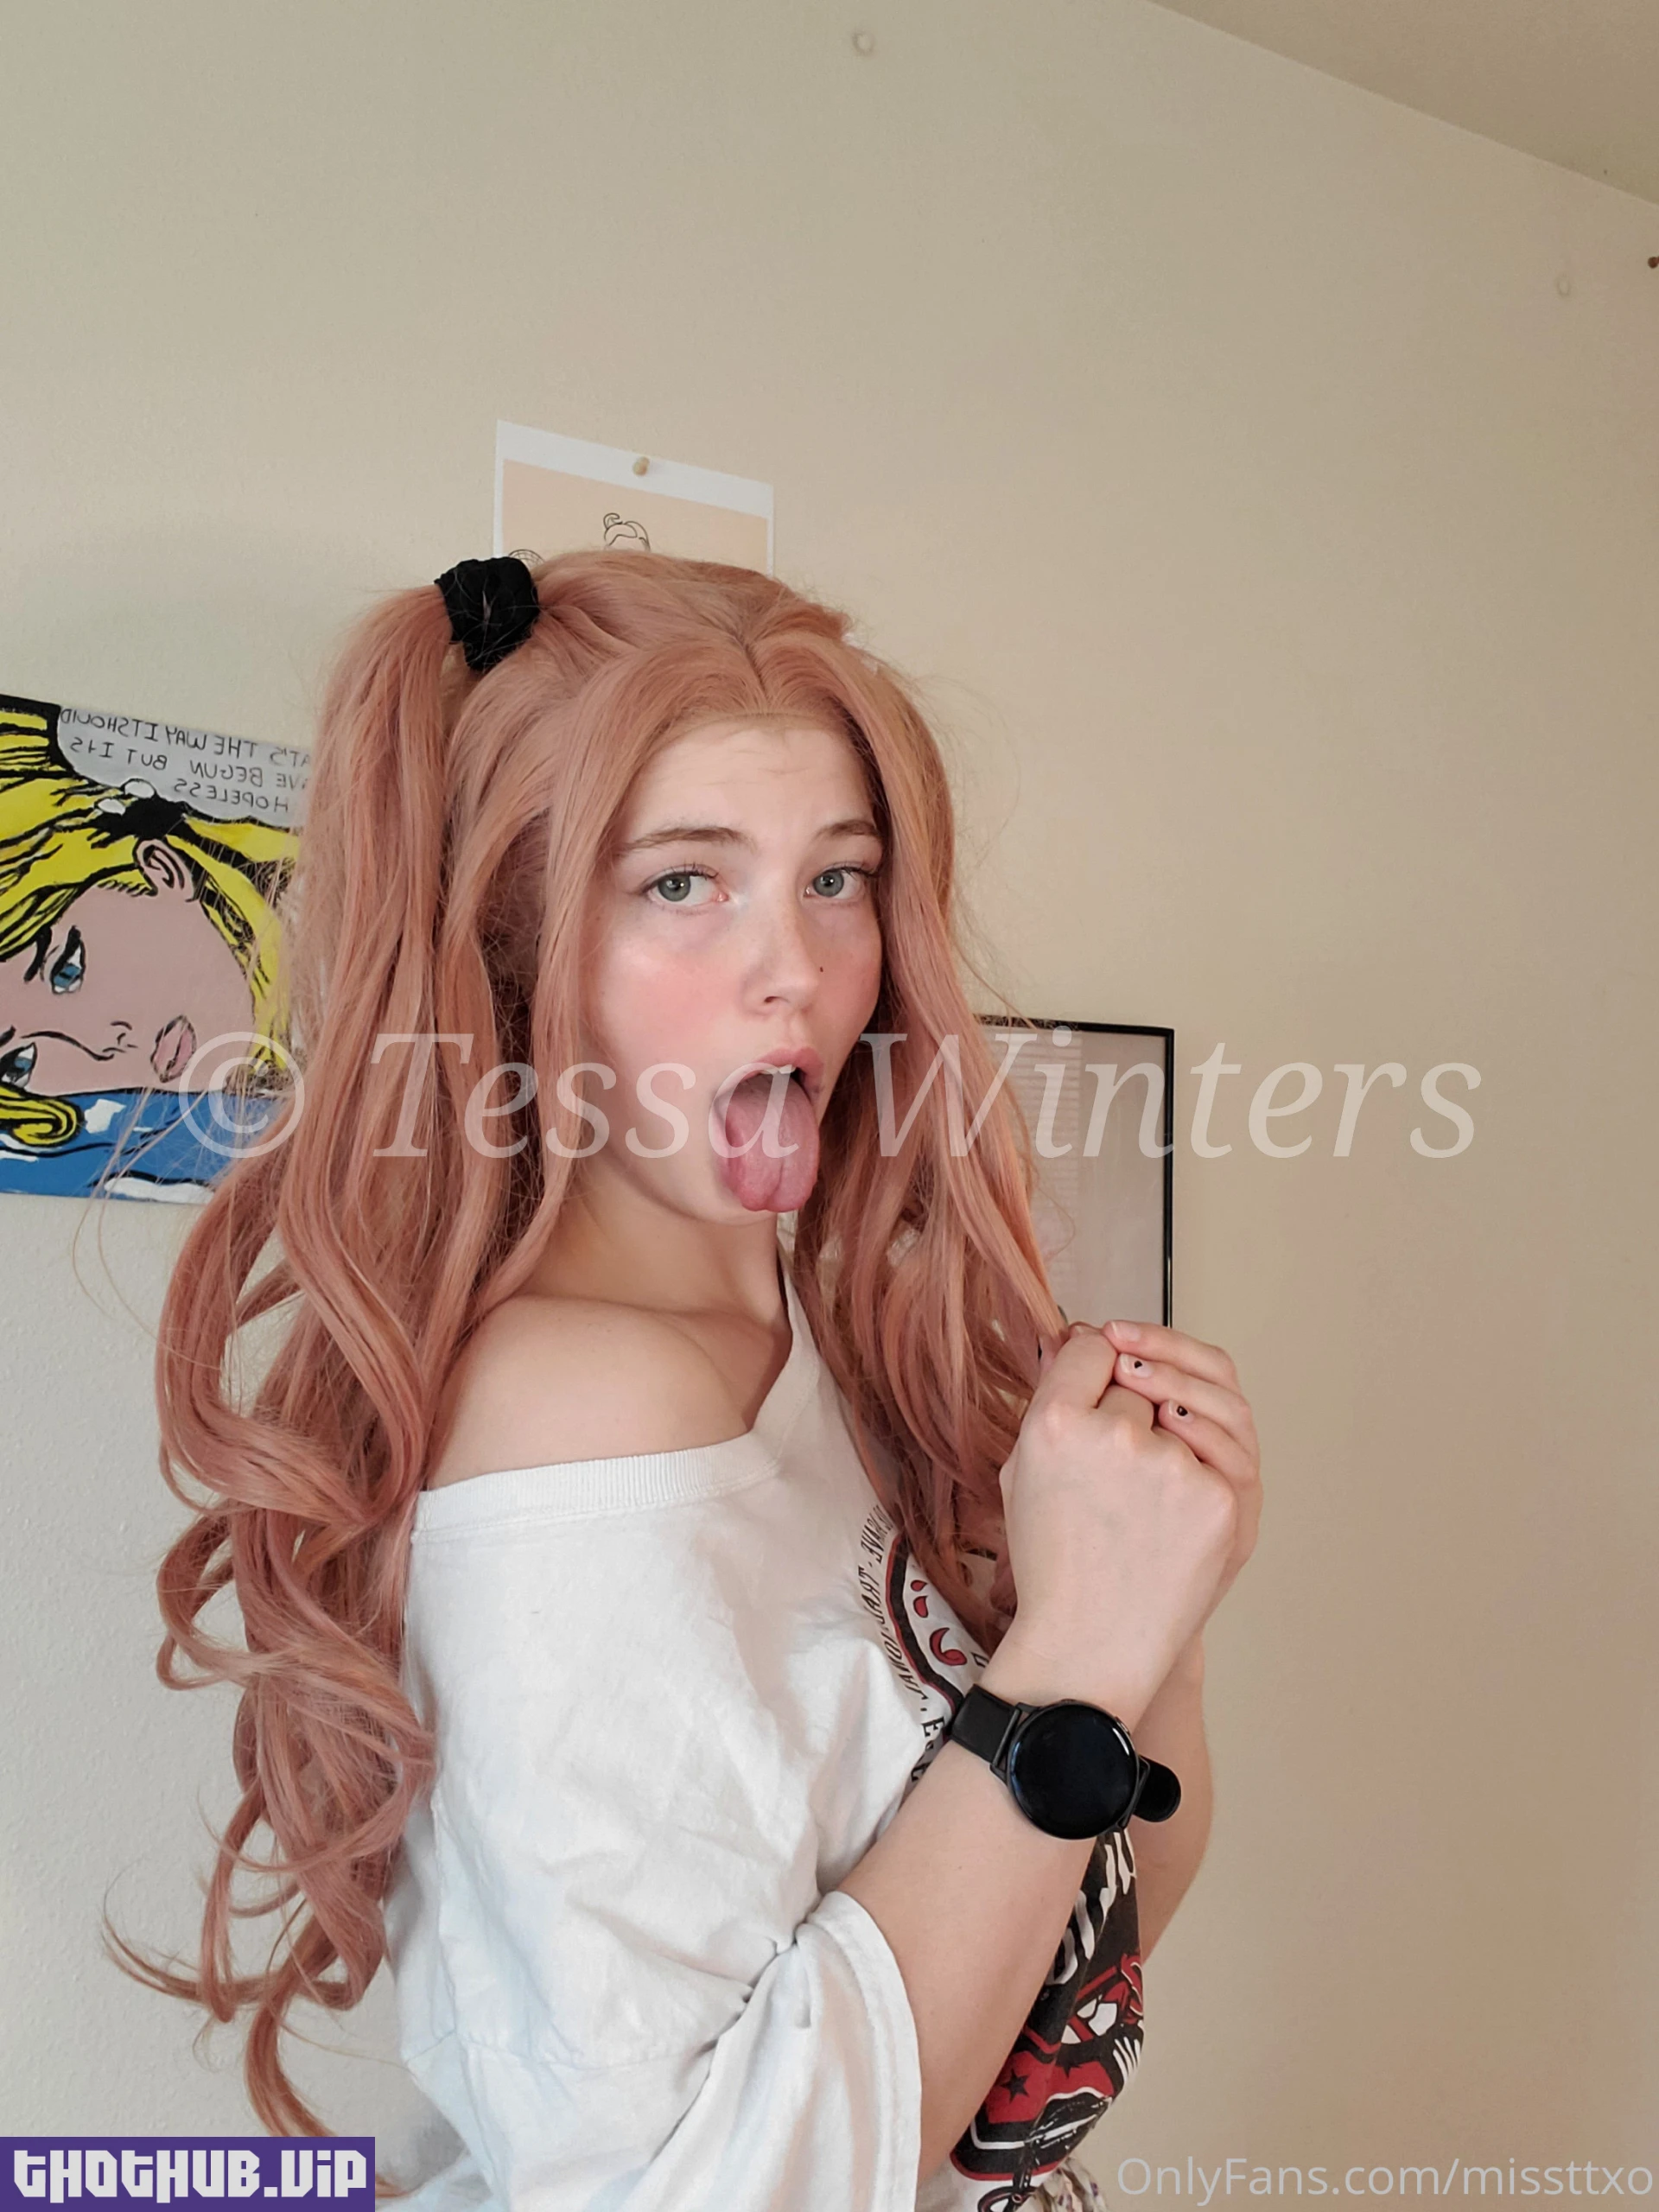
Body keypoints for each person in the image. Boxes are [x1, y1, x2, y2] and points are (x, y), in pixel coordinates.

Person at [118, 550, 1262, 2211]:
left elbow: (1097, 1931)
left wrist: (1151, 1622)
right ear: (515, 939)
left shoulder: (825, 1342)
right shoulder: (581, 1416)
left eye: (838, 876)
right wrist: (1076, 1659)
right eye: (682, 883)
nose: (794, 965)